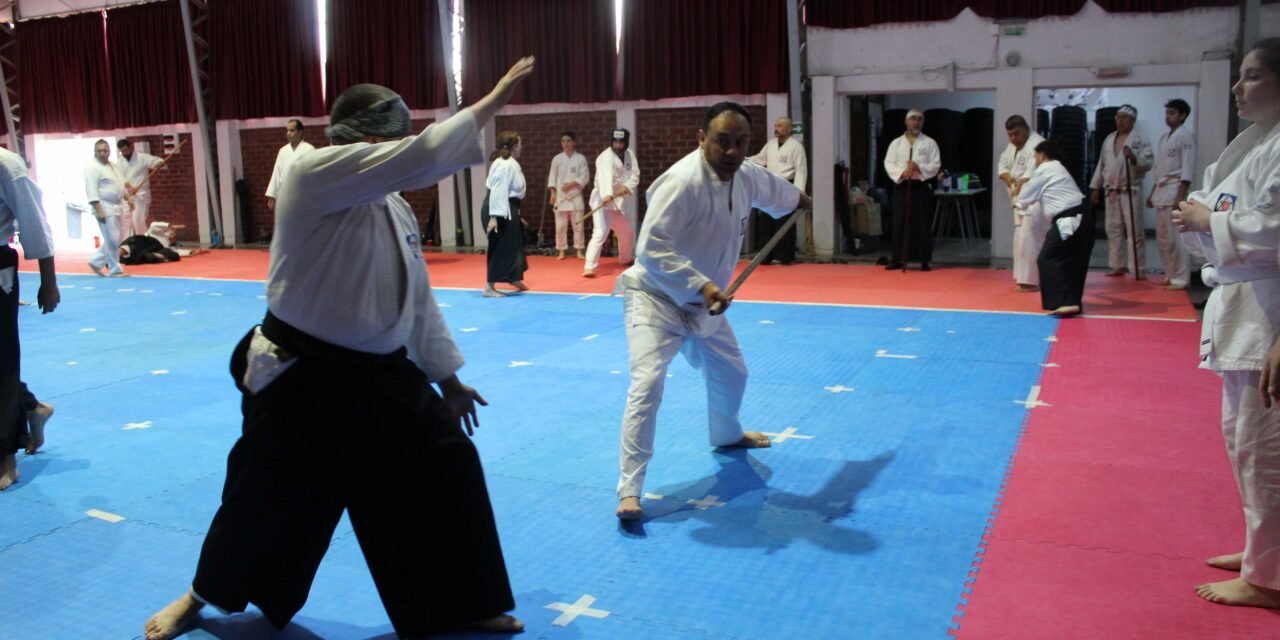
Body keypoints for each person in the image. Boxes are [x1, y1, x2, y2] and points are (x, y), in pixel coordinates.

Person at [142, 57, 537, 640]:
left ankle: (462, 602)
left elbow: (417, 299)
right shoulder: (313, 173)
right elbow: (424, 156)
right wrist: (492, 100)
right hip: (303, 375)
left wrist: (447, 379)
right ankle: (202, 595)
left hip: (382, 375)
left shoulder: (393, 205)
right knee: (264, 496)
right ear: (364, 139)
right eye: (393, 137)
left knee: (446, 469)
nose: (399, 148)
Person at [613, 102, 813, 521]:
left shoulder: (746, 175)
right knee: (647, 384)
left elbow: (777, 192)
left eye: (741, 143)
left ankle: (726, 434)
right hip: (656, 300)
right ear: (701, 138)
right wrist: (702, 285)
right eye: (723, 141)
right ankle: (630, 490)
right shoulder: (682, 182)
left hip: (706, 307)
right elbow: (650, 249)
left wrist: (799, 198)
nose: (733, 152)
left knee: (733, 372)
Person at [1172, 38, 1280, 610]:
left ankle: (1270, 579)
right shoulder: (1250, 146)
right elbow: (1206, 208)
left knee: (1267, 449)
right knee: (1243, 443)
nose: (1239, 89)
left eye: (1253, 76)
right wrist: (1198, 220)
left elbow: (1268, 227)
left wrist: (1208, 218)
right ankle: (1263, 550)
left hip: (1271, 313)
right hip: (1239, 306)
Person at [0, 146, 59, 491]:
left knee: (3, 362)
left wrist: (48, 281)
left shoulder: (8, 166)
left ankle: (6, 455)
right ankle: (32, 407)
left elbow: (33, 221)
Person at [1016, 140, 1091, 317]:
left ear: (1042, 155)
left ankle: (1065, 302)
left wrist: (1017, 196)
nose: (1034, 160)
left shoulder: (1046, 168)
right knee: (1071, 261)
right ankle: (1072, 302)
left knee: (1047, 258)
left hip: (1070, 219)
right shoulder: (1058, 169)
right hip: (1082, 217)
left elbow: (1025, 195)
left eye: (1035, 156)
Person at [1090, 105, 1154, 279]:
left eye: (1124, 117)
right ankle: (1117, 265)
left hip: (1130, 189)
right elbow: (1101, 165)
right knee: (1113, 229)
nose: (1120, 120)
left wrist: (1133, 157)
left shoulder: (1140, 139)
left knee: (1134, 230)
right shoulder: (1109, 139)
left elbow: (1148, 163)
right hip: (1111, 190)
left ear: (1132, 120)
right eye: (1118, 117)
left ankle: (1137, 267)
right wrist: (1096, 187)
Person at [1147, 98, 1196, 291]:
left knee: (1176, 238)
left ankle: (1181, 277)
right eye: (1167, 113)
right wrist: (1152, 193)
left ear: (1182, 115)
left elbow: (1188, 168)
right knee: (1163, 238)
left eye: (1173, 113)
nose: (1168, 117)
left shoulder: (1186, 137)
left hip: (1176, 189)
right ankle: (1170, 272)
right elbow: (1159, 171)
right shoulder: (1164, 138)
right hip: (1161, 190)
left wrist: (1180, 197)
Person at [882, 109, 941, 271]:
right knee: (899, 222)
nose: (916, 122)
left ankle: (924, 260)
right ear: (906, 122)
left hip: (920, 187)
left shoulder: (930, 143)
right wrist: (903, 172)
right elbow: (889, 163)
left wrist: (918, 167)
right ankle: (897, 258)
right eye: (913, 119)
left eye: (919, 119)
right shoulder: (896, 143)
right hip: (902, 186)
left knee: (922, 223)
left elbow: (935, 165)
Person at [749, 116, 808, 265]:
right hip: (770, 185)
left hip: (787, 185)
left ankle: (784, 256)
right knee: (766, 221)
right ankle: (765, 256)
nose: (776, 129)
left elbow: (801, 170)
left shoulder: (796, 146)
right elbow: (760, 159)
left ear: (789, 129)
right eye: (776, 126)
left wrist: (800, 192)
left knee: (784, 221)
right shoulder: (770, 145)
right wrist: (744, 160)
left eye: (780, 126)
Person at [998, 115, 1047, 291]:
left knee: (1030, 238)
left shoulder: (1038, 144)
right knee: (1020, 238)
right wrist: (1010, 179)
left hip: (1033, 200)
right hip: (1018, 198)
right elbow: (1002, 166)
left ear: (1025, 129)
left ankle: (1031, 281)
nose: (1013, 138)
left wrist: (1017, 186)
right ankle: (1022, 278)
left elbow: (1029, 177)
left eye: (1016, 134)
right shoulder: (1012, 146)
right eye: (1009, 134)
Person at [582, 129, 639, 278]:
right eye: (615, 142)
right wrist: (606, 194)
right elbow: (604, 177)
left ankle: (625, 258)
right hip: (602, 199)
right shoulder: (604, 157)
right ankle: (589, 266)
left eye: (621, 142)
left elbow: (635, 174)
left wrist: (626, 187)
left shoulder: (630, 155)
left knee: (627, 232)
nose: (618, 145)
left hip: (617, 200)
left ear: (626, 143)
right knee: (601, 232)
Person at [483, 131, 529, 297]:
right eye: (520, 144)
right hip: (499, 208)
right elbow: (498, 190)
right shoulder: (505, 165)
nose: (521, 147)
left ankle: (514, 277)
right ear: (514, 147)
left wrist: (517, 214)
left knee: (515, 246)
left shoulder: (508, 163)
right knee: (499, 247)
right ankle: (489, 287)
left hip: (508, 208)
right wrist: (494, 217)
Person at [85, 139, 129, 278]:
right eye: (99, 151)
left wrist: (128, 198)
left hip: (116, 205)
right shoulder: (91, 167)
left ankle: (96, 261)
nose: (102, 153)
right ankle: (115, 269)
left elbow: (121, 183)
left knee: (117, 237)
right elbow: (91, 189)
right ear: (94, 152)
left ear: (109, 152)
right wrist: (98, 209)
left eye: (105, 150)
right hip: (103, 205)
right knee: (112, 238)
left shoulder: (113, 166)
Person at [547, 131, 589, 260]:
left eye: (568, 140)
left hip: (575, 196)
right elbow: (552, 177)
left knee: (578, 226)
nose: (565, 143)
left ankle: (579, 250)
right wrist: (552, 193)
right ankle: (561, 251)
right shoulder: (557, 159)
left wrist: (571, 184)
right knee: (560, 226)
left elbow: (585, 177)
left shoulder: (580, 158)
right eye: (563, 141)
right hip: (561, 197)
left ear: (574, 142)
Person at [115, 138, 167, 239]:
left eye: (126, 150)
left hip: (141, 196)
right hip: (127, 197)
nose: (125, 153)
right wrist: (129, 187)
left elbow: (157, 161)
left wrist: (159, 163)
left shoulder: (142, 158)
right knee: (125, 223)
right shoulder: (119, 163)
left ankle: (143, 243)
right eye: (122, 151)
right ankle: (126, 245)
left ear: (130, 147)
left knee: (138, 220)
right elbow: (120, 179)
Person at [265, 119, 315, 212]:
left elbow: (314, 174)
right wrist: (272, 195)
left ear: (300, 132)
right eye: (287, 130)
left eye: (292, 130)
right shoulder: (283, 151)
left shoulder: (309, 149)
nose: (288, 133)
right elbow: (277, 173)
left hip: (303, 193)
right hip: (285, 194)